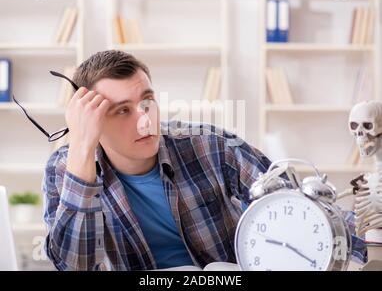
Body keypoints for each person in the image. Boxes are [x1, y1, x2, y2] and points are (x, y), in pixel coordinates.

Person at [43, 50, 366, 270]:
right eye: (122, 110)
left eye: (147, 102)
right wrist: (82, 149)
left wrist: (373, 238)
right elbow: (75, 263)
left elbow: (302, 207)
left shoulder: (212, 147)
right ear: (92, 120)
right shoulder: (67, 168)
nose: (144, 120)